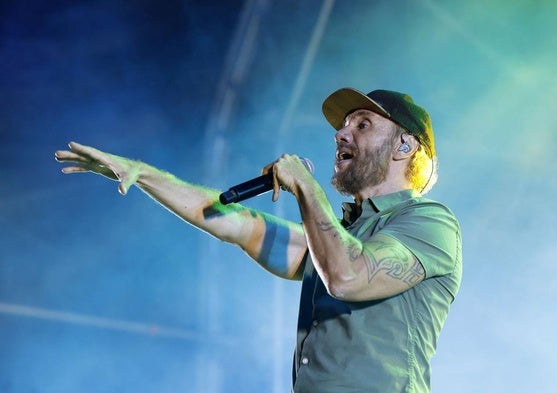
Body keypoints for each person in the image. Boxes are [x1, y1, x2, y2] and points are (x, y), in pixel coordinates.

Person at [55, 87, 462, 392]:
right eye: (342, 125)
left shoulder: (428, 221)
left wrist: (305, 186)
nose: (341, 133)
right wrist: (141, 172)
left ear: (404, 145)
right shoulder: (336, 238)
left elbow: (350, 277)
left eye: (362, 124)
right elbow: (234, 222)